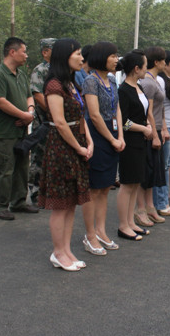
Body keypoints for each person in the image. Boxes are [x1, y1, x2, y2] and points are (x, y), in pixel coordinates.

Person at [38, 39, 93, 271]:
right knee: (61, 204)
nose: (82, 58)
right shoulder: (54, 85)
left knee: (71, 203)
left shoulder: (71, 84)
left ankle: (67, 250)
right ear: (64, 56)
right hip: (61, 149)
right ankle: (58, 252)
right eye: (77, 54)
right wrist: (78, 147)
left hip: (76, 144)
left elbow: (80, 116)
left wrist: (88, 140)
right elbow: (60, 122)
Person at [81, 41, 129, 252]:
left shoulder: (111, 80)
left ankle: (101, 231)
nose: (116, 59)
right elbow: (94, 115)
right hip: (97, 135)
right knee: (94, 188)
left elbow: (117, 108)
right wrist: (111, 139)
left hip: (113, 133)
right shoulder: (90, 81)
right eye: (112, 56)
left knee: (105, 188)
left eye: (116, 55)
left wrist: (120, 136)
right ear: (101, 57)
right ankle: (90, 234)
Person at [0, 37, 38, 220]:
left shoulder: (21, 75)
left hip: (21, 130)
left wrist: (29, 113)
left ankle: (18, 201)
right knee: (5, 169)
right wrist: (23, 115)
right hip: (5, 132)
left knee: (22, 168)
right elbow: (0, 101)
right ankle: (0, 205)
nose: (26, 55)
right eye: (23, 51)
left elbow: (29, 96)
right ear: (12, 52)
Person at [117, 49, 155, 241]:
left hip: (141, 141)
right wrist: (143, 129)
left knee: (135, 183)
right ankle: (123, 225)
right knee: (127, 184)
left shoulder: (138, 86)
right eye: (145, 66)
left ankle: (131, 222)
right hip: (130, 141)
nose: (147, 69)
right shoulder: (123, 90)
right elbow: (123, 121)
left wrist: (147, 125)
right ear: (136, 68)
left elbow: (143, 113)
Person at [136, 46, 167, 224]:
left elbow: (160, 108)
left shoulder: (155, 81)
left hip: (157, 129)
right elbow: (148, 111)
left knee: (153, 172)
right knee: (145, 173)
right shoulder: (147, 82)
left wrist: (162, 129)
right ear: (157, 62)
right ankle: (141, 209)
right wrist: (155, 134)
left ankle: (150, 207)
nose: (165, 63)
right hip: (148, 131)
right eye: (164, 60)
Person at [28, 38, 56, 205]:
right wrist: (55, 112)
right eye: (54, 49)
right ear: (45, 52)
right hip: (43, 122)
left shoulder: (60, 70)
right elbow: (38, 95)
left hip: (57, 123)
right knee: (39, 157)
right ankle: (36, 193)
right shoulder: (40, 70)